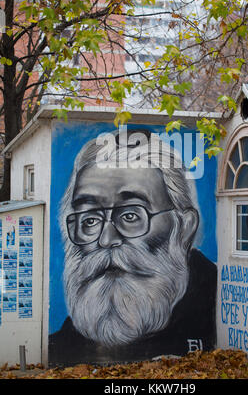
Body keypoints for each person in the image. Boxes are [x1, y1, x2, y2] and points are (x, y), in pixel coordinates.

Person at [49, 129, 217, 366]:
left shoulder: (222, 310)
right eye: (89, 220)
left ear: (184, 227)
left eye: (130, 215)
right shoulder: (63, 346)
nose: (106, 240)